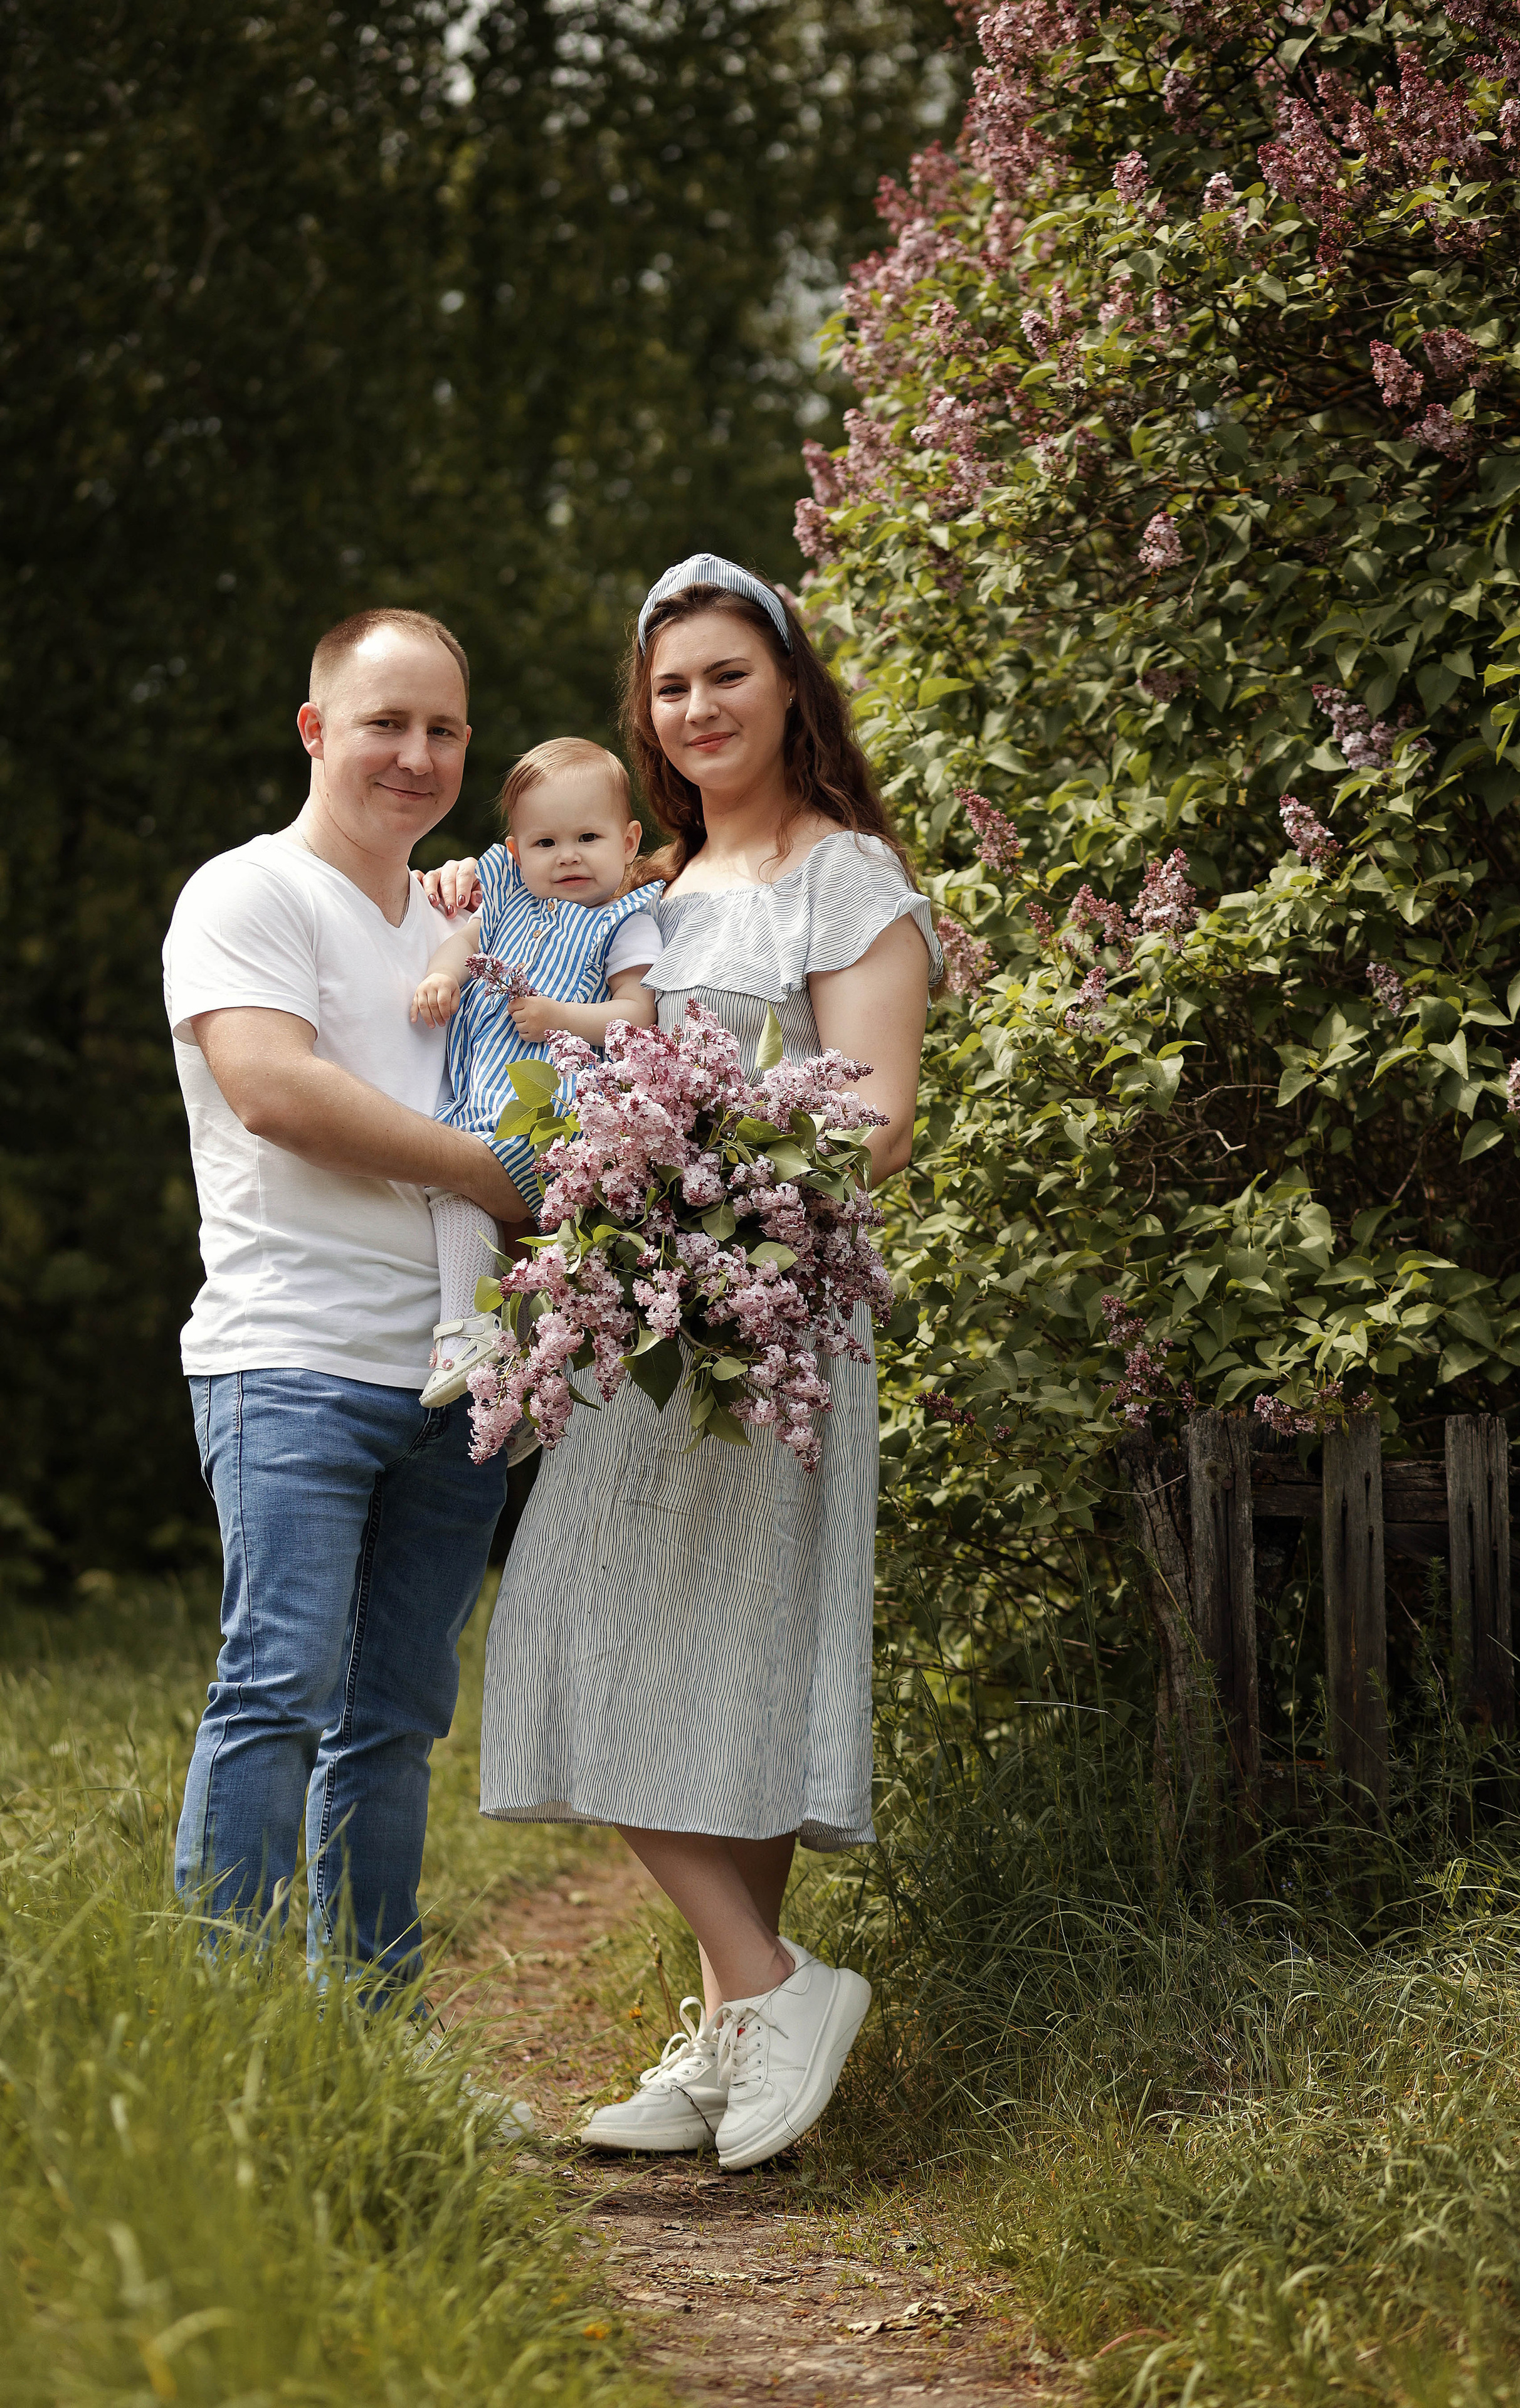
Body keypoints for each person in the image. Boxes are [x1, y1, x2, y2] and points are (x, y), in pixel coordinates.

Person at [425, 553, 941, 2168]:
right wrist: (462, 887)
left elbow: (873, 1121)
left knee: (671, 1640)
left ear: (788, 684)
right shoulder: (640, 883)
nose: (696, 705)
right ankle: (739, 2016)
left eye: (726, 673)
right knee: (634, 1643)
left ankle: (769, 1987)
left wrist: (700, 1186)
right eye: (668, 686)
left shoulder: (839, 877)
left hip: (760, 1312)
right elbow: (519, 957)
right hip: (624, 1310)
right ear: (641, 719)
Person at [162, 606, 527, 1988]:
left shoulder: (452, 920)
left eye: (442, 730)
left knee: (393, 1719)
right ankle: (230, 2019)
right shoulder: (247, 893)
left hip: (453, 1381)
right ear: (316, 730)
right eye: (385, 722)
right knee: (278, 1691)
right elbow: (274, 1090)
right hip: (293, 1362)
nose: (414, 754)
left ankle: (374, 2025)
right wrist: (506, 1180)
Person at [409, 738, 665, 1410]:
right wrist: (442, 974)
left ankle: (469, 1331)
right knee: (523, 1243)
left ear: (629, 840)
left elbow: (637, 1015)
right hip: (486, 1091)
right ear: (516, 852)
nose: (569, 855)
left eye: (588, 836)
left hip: (551, 1107)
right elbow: (463, 941)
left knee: (450, 1183)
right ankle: (518, 1375)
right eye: (546, 843)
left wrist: (562, 1016)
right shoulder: (505, 905)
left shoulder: (624, 921)